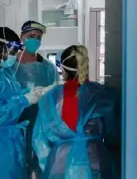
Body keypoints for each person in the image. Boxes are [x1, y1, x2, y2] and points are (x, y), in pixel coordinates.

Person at [32, 45, 117, 179]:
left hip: (60, 167)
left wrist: (48, 164)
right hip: (94, 165)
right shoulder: (100, 95)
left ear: (63, 69)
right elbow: (112, 134)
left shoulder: (51, 98)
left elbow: (39, 140)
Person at [0, 27, 50, 179]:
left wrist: (32, 93)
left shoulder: (5, 72)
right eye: (13, 49)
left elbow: (12, 94)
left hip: (13, 143)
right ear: (1, 47)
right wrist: (24, 100)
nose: (15, 54)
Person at [12, 20, 60, 178]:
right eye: (31, 36)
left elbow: (56, 100)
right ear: (21, 37)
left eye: (39, 37)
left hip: (40, 126)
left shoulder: (48, 68)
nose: (35, 40)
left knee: (37, 165)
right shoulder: (10, 67)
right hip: (13, 125)